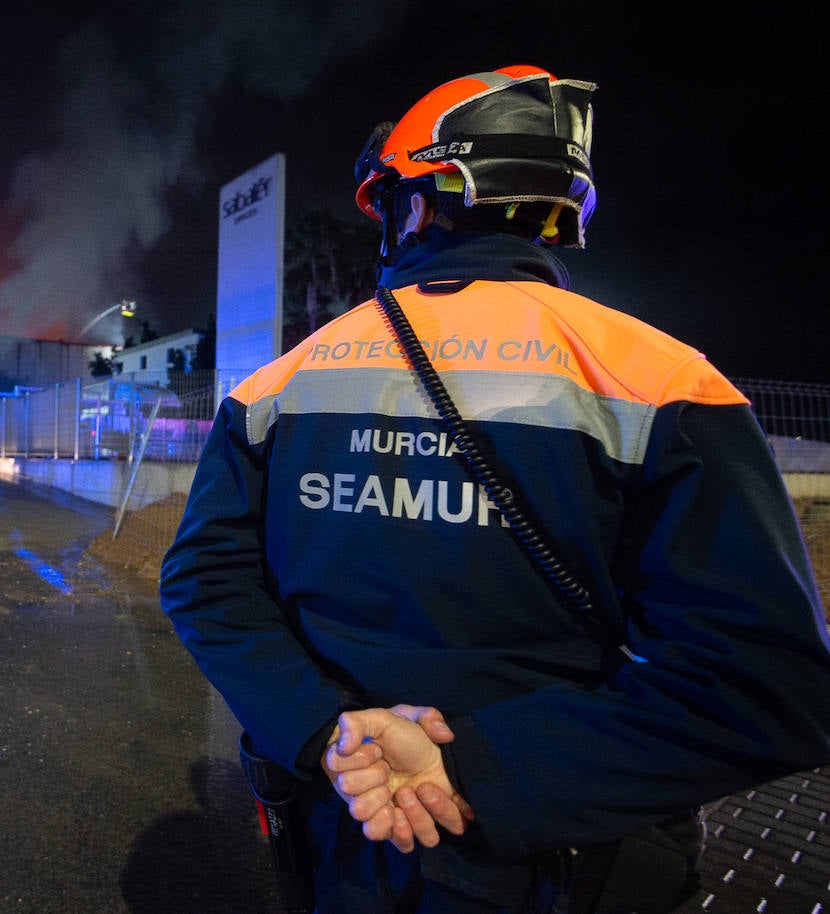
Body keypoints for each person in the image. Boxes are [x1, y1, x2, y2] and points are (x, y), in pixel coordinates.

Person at [158, 64, 830, 913]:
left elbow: (202, 582)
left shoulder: (279, 385)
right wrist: (478, 767)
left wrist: (324, 733)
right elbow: (768, 687)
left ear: (419, 201)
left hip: (346, 828)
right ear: (555, 208)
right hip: (567, 853)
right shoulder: (665, 381)